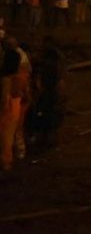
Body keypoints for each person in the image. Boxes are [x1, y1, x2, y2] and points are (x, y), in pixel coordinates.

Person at [26, 36, 64, 151]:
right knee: (49, 114)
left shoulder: (53, 56)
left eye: (43, 43)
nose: (41, 45)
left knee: (49, 114)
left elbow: (55, 69)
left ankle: (49, 141)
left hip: (51, 90)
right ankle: (47, 139)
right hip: (51, 89)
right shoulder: (54, 56)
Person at [0, 36, 31, 170]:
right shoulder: (22, 74)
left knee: (6, 136)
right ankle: (17, 155)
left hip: (9, 106)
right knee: (14, 132)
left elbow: (3, 99)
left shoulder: (6, 79)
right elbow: (27, 93)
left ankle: (6, 162)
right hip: (17, 104)